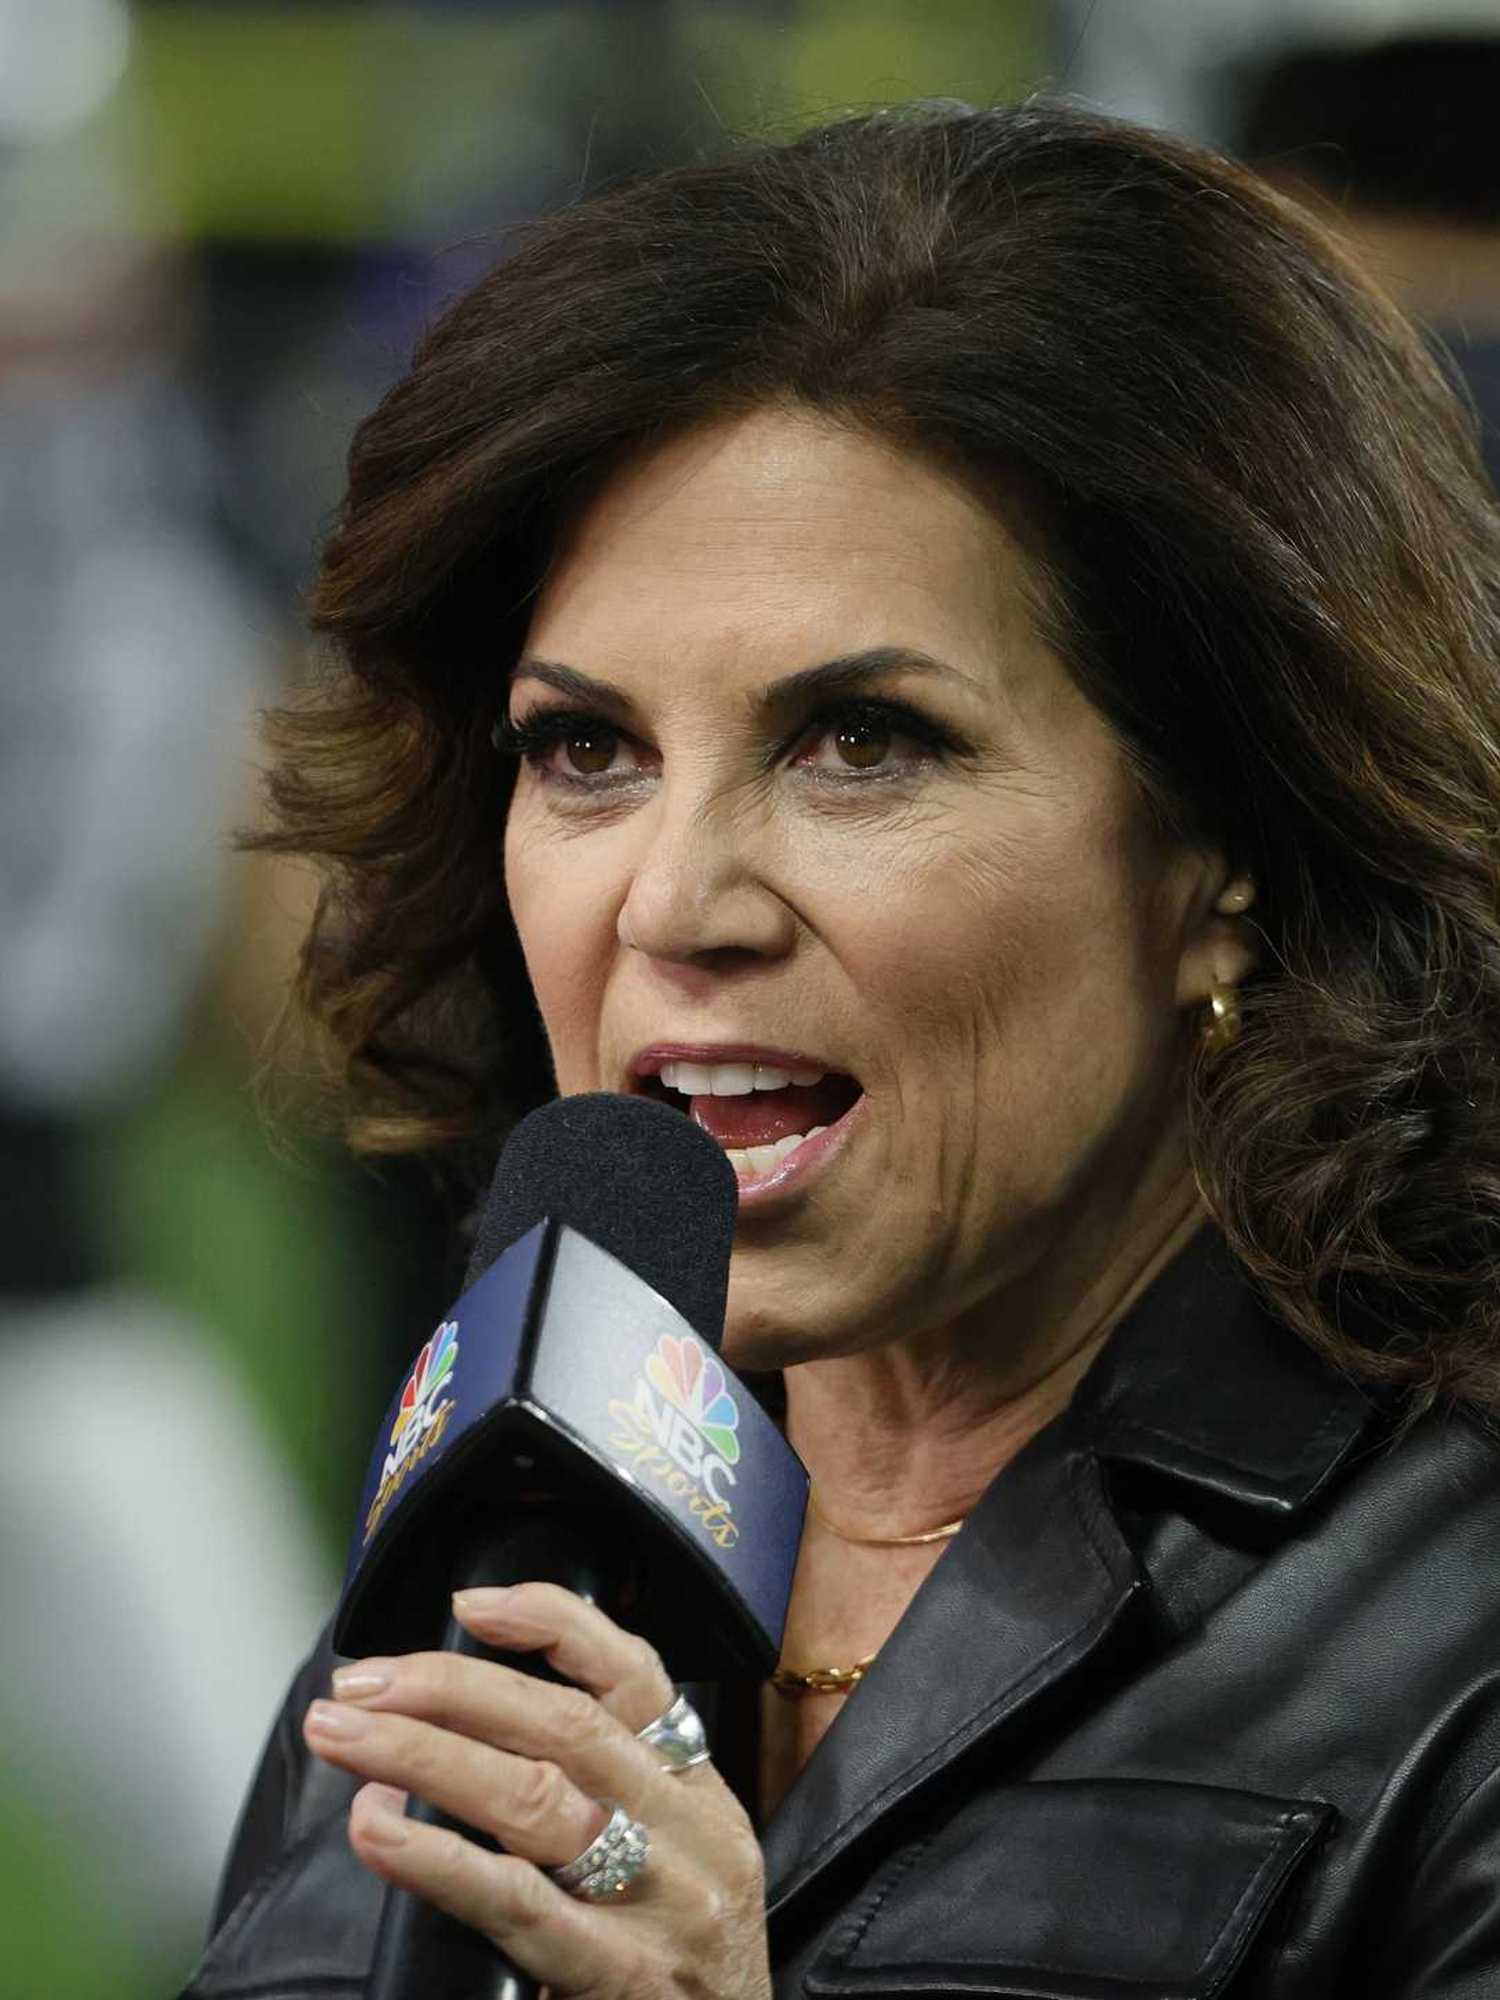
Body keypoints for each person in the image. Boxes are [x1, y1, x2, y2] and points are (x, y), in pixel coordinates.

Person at [182, 99, 1500, 1999]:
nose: (672, 901)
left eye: (860, 743)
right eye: (586, 752)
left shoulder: (1450, 1623)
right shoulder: (505, 1531)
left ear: (1229, 850)